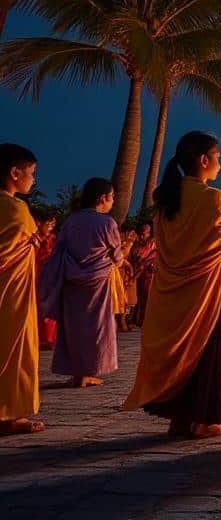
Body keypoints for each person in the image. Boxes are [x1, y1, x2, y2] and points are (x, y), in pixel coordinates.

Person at [122, 132, 221, 438]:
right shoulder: (212, 197)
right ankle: (205, 420)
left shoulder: (168, 198)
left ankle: (179, 419)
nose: (220, 162)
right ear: (203, 160)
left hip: (172, 287)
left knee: (183, 350)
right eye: (217, 156)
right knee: (207, 350)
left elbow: (166, 245)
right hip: (207, 288)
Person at [38, 178, 120, 389]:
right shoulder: (107, 223)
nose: (113, 202)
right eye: (112, 197)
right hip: (98, 283)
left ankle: (77, 373)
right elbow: (116, 255)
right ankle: (88, 373)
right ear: (103, 198)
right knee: (97, 328)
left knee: (73, 328)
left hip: (71, 280)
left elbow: (58, 250)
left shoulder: (71, 221)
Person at [0, 144, 43, 435]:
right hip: (11, 294)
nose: (34, 180)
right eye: (31, 173)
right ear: (15, 173)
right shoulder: (15, 208)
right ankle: (9, 414)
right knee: (13, 351)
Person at [32, 210, 58, 349]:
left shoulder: (52, 239)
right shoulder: (32, 239)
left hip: (49, 278)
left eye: (53, 224)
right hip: (34, 276)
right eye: (49, 223)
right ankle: (37, 337)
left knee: (48, 308)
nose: (51, 227)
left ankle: (48, 338)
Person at [129, 221, 156, 327]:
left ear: (149, 232)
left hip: (147, 273)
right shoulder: (137, 242)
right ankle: (137, 318)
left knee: (146, 295)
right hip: (137, 271)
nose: (142, 234)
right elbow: (134, 255)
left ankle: (145, 319)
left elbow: (150, 257)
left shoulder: (152, 242)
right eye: (141, 232)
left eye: (144, 232)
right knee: (138, 295)